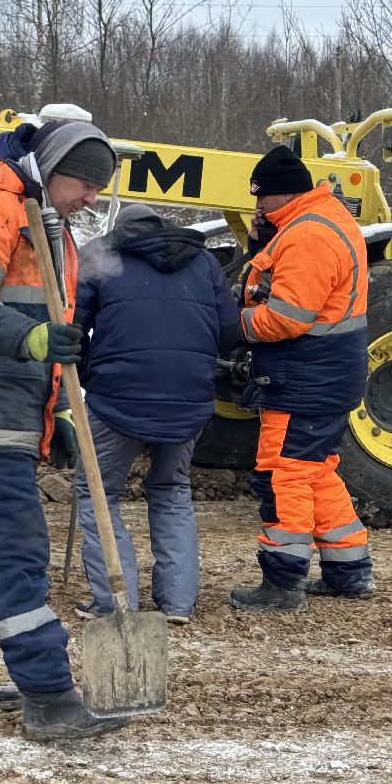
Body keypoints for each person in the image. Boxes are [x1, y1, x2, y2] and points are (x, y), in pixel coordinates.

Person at [0, 106, 125, 742]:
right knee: (16, 552)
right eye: (86, 183)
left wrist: (58, 410)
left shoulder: (47, 219)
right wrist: (35, 342)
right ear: (57, 168)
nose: (92, 197)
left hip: (7, 411)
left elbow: (49, 325)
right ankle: (49, 695)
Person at [69, 204, 239, 626]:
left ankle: (115, 603)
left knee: (98, 493)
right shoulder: (202, 261)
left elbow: (71, 326)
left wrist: (93, 370)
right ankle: (178, 604)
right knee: (171, 489)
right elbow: (231, 331)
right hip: (189, 398)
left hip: (117, 397)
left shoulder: (100, 255)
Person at [229, 145, 375, 612]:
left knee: (284, 474)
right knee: (316, 469)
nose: (257, 208)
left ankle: (282, 582)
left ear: (284, 194)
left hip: (305, 374)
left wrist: (235, 326)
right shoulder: (315, 221)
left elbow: (287, 318)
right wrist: (258, 248)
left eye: (262, 200)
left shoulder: (308, 234)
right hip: (328, 373)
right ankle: (349, 572)